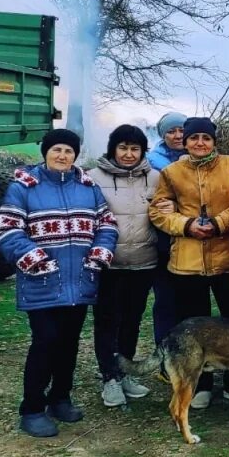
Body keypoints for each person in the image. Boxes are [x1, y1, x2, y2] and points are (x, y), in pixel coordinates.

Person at [0, 129, 118, 438]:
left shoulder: (88, 186)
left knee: (70, 343)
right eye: (56, 150)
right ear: (46, 152)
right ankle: (32, 407)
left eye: (68, 151)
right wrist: (36, 259)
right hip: (43, 280)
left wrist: (100, 253)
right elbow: (7, 230)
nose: (62, 156)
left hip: (81, 280)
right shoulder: (24, 187)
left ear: (75, 155)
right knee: (45, 341)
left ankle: (60, 397)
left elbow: (107, 223)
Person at [148, 117, 229, 410]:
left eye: (205, 138)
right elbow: (159, 211)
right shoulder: (171, 172)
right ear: (185, 142)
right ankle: (201, 386)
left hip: (228, 258)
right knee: (194, 328)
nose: (199, 143)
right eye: (193, 138)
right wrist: (187, 224)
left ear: (214, 141)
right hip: (188, 262)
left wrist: (219, 223)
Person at [87, 125, 160, 408]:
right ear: (113, 149)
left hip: (144, 262)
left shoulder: (155, 178)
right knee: (107, 320)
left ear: (142, 151)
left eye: (135, 149)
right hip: (109, 264)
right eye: (123, 148)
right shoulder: (93, 178)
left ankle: (126, 371)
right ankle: (109, 377)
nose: (129, 154)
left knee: (132, 320)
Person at [147, 111, 187, 344]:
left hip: (192, 237)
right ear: (163, 135)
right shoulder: (154, 162)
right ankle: (165, 352)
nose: (177, 135)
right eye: (171, 131)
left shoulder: (199, 155)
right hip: (163, 239)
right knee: (165, 300)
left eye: (181, 130)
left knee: (188, 300)